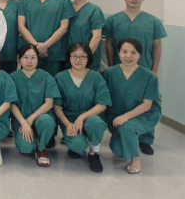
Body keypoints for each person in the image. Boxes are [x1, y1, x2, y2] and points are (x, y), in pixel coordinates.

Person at [103, 39, 161, 174]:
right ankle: (128, 139)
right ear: (118, 53)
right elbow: (104, 98)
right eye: (124, 52)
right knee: (118, 150)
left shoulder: (149, 76)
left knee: (127, 126)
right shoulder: (109, 73)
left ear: (139, 55)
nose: (128, 56)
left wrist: (126, 116)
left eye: (133, 52)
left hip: (144, 114)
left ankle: (136, 159)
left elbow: (147, 105)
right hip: (116, 115)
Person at [53, 43, 111, 173]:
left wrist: (82, 117)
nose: (78, 59)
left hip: (92, 116)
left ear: (88, 58)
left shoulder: (96, 77)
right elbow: (56, 105)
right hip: (70, 119)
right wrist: (67, 124)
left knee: (94, 122)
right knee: (77, 146)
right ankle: (78, 145)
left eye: (82, 56)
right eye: (74, 56)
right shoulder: (60, 77)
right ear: (69, 57)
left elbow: (103, 104)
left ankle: (94, 153)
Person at [18, 0, 75, 77]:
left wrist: (46, 45)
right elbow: (21, 26)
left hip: (54, 53)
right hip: (30, 53)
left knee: (53, 83)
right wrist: (36, 46)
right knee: (29, 82)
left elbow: (64, 27)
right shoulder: (25, 1)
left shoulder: (62, 0)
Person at [10, 44, 61, 167]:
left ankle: (41, 148)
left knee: (46, 121)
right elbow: (11, 104)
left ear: (38, 59)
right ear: (19, 59)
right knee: (26, 148)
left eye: (33, 58)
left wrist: (30, 119)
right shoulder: (12, 78)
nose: (29, 61)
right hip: (21, 120)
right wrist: (24, 123)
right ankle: (32, 141)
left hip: (41, 117)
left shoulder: (46, 77)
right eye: (25, 57)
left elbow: (49, 103)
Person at [104, 0, 167, 76]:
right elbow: (109, 45)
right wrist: (110, 67)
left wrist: (154, 71)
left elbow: (157, 47)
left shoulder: (153, 21)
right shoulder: (112, 20)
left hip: (145, 68)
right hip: (119, 69)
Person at [66, 0, 106, 72]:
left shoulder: (94, 10)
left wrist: (84, 58)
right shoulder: (66, 7)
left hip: (88, 60)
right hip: (67, 58)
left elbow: (96, 37)